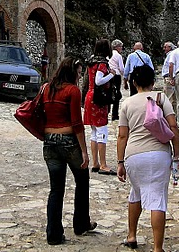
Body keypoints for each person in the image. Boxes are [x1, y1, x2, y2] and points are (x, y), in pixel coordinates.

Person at [117, 64, 179, 252]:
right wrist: (176, 154)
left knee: (135, 193)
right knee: (157, 199)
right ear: (153, 82)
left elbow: (122, 136)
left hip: (134, 155)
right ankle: (157, 248)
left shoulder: (127, 104)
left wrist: (120, 162)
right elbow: (174, 127)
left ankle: (131, 235)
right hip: (159, 154)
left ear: (134, 82)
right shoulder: (160, 98)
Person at [41, 57, 96, 245]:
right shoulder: (73, 91)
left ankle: (53, 233)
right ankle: (81, 223)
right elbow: (76, 123)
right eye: (79, 73)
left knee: (56, 189)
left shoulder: (47, 88)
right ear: (72, 72)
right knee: (82, 180)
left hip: (49, 141)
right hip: (68, 140)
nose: (80, 77)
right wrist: (84, 151)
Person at [83, 39, 116, 175]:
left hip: (90, 96)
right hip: (99, 98)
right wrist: (111, 75)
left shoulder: (91, 62)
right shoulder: (102, 64)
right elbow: (99, 80)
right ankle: (103, 164)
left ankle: (95, 162)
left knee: (94, 132)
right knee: (102, 130)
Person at [109, 39, 125, 121]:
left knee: (109, 92)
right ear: (117, 47)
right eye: (121, 46)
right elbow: (122, 68)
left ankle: (107, 111)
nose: (121, 48)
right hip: (117, 76)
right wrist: (124, 75)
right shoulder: (118, 56)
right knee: (117, 94)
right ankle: (114, 114)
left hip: (108, 75)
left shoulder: (108, 55)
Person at [161, 41, 178, 109]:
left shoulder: (171, 55)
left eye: (165, 47)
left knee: (169, 98)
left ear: (170, 47)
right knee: (173, 99)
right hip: (170, 77)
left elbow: (171, 66)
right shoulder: (171, 55)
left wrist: (171, 78)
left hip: (169, 77)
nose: (164, 48)